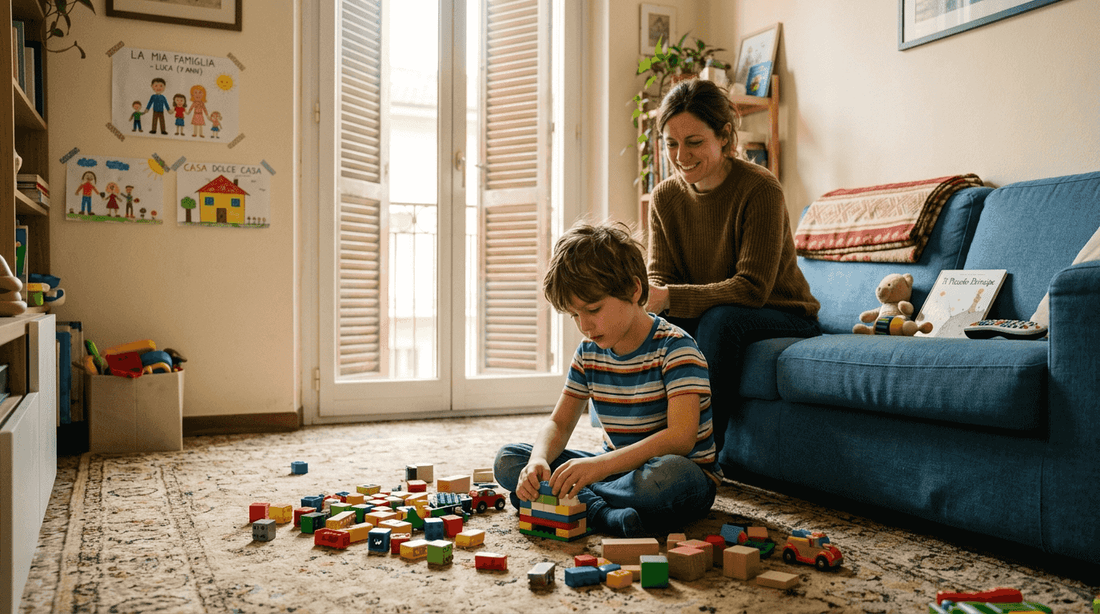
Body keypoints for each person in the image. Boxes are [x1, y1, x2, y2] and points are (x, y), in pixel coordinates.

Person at [493, 221, 721, 538]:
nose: (585, 325)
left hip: (676, 474)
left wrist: (596, 470)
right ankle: (606, 513)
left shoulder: (676, 348)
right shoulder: (589, 352)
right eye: (574, 315)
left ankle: (576, 502)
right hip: (614, 472)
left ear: (633, 289)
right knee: (509, 460)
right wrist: (538, 461)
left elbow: (680, 439)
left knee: (670, 478)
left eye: (593, 309)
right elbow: (559, 424)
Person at [646, 78, 821, 453]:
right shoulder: (664, 197)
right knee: (653, 324)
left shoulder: (760, 188)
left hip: (780, 310)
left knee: (720, 320)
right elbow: (660, 276)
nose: (680, 156)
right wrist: (648, 301)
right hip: (716, 307)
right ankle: (638, 443)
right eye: (671, 144)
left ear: (725, 137)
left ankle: (702, 454)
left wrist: (668, 297)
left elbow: (751, 288)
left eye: (694, 142)